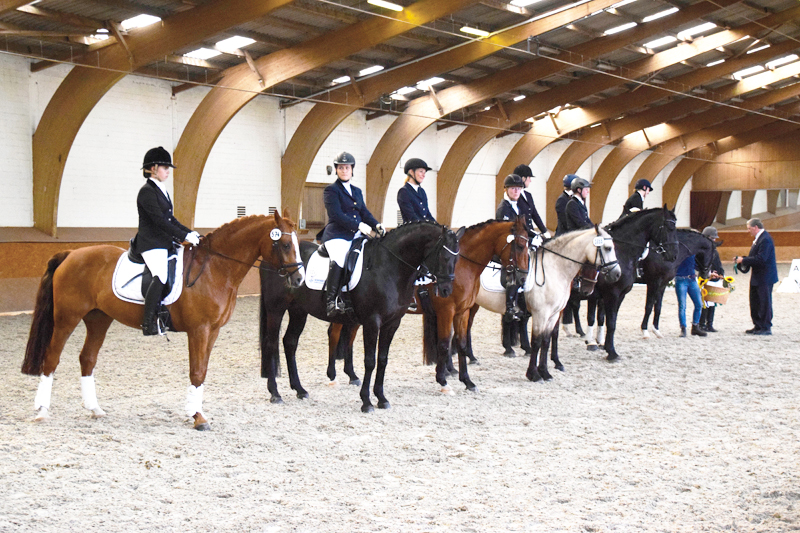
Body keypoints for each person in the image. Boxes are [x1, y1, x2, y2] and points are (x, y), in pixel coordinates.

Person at [135, 146, 200, 336]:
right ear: (153, 168)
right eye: (165, 168)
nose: (168, 171)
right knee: (161, 275)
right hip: (151, 243)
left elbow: (171, 219)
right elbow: (159, 221)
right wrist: (183, 237)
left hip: (164, 242)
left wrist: (190, 233)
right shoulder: (146, 192)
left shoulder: (161, 189)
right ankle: (148, 322)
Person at [319, 151, 385, 317]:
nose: (344, 170)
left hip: (357, 235)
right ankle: (331, 301)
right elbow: (336, 215)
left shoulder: (357, 191)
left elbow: (364, 212)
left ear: (352, 170)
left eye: (347, 167)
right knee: (340, 258)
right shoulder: (331, 190)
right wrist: (358, 225)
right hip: (337, 235)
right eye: (341, 168)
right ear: (336, 170)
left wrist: (376, 224)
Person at [734, 218, 778, 335]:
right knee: (755, 301)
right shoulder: (759, 239)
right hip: (757, 276)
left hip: (765, 277)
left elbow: (761, 259)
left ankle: (766, 327)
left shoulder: (765, 239)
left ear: (755, 227)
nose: (748, 231)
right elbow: (755, 256)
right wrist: (743, 260)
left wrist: (744, 260)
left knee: (764, 302)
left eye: (749, 228)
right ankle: (758, 325)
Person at [496, 174, 526, 321]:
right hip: (506, 245)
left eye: (518, 189)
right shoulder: (503, 208)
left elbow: (523, 228)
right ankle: (509, 306)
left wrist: (536, 236)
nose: (516, 191)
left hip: (517, 244)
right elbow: (503, 229)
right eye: (513, 188)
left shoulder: (518, 206)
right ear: (506, 190)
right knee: (513, 269)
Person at [674, 254, 708, 338]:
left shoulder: (693, 253)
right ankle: (683, 327)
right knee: (682, 305)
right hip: (681, 279)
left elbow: (697, 265)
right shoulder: (680, 251)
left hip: (692, 279)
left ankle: (695, 326)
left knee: (699, 304)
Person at [512, 164, 549, 237]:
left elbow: (535, 215)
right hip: (521, 235)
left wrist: (544, 231)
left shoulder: (528, 195)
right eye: (529, 177)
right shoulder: (515, 197)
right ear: (523, 178)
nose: (530, 180)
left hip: (531, 233)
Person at [699, 226, 724, 332]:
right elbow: (701, 265)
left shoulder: (714, 250)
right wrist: (709, 273)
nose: (714, 240)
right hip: (706, 278)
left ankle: (710, 324)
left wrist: (721, 273)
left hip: (715, 279)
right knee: (705, 303)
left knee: (713, 302)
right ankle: (702, 324)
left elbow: (718, 263)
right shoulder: (701, 251)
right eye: (712, 238)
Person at [397, 158, 436, 223]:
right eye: (421, 171)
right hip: (412, 228)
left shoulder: (422, 191)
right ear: (411, 172)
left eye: (424, 172)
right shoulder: (404, 192)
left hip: (423, 227)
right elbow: (412, 217)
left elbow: (427, 214)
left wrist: (438, 226)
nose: (423, 175)